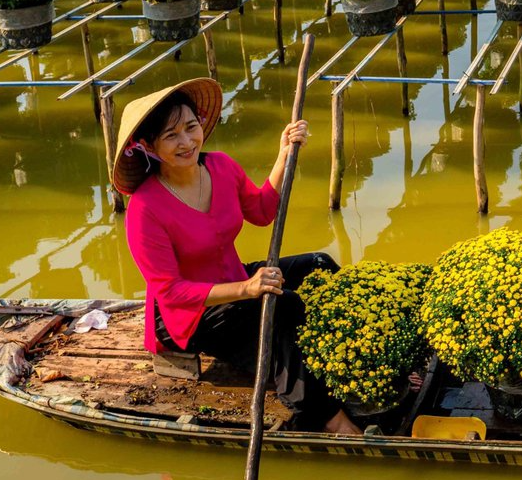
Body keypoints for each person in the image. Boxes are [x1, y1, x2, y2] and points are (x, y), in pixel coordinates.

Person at [115, 78, 356, 434]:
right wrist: (247, 289)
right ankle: (328, 416)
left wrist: (284, 154)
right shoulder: (145, 209)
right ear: (149, 147)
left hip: (235, 278)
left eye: (191, 128)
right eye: (171, 136)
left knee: (319, 264)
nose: (186, 142)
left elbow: (261, 210)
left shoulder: (221, 167)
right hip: (192, 314)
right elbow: (171, 292)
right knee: (285, 305)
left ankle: (351, 350)